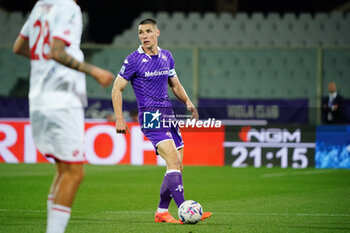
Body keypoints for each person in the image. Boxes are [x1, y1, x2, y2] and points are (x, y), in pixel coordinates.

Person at [13, 0, 114, 232]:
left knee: (63, 170)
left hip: (38, 99)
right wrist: (95, 71)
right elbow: (56, 51)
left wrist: (45, 67)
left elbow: (19, 47)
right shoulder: (69, 8)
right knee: (75, 174)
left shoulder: (40, 5)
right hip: (62, 101)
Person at [111, 18, 212, 223]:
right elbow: (117, 88)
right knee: (174, 160)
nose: (144, 36)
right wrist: (119, 118)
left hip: (168, 115)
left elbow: (175, 85)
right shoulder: (133, 60)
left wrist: (188, 103)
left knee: (176, 166)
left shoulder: (167, 56)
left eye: (148, 31)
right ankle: (187, 212)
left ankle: (161, 212)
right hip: (151, 116)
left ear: (157, 33)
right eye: (140, 32)